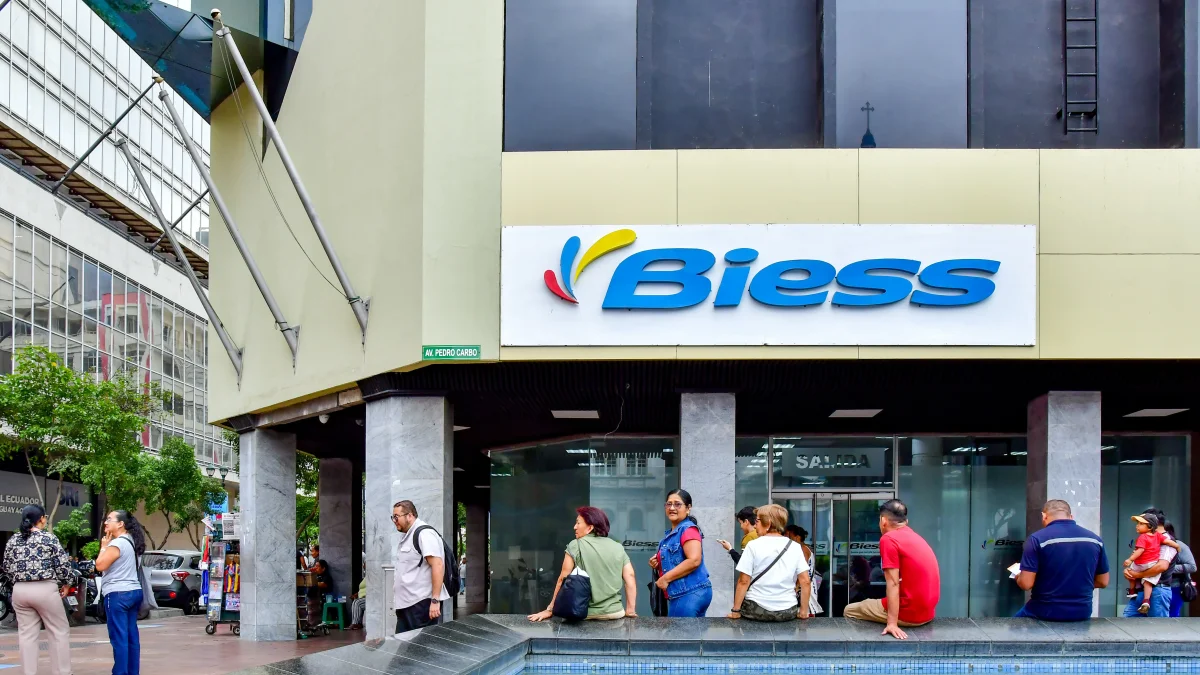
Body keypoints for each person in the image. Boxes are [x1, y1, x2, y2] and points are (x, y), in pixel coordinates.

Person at [843, 499, 939, 640]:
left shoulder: (889, 539)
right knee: (873, 602)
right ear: (905, 521)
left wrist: (892, 623)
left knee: (849, 610)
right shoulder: (916, 537)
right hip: (928, 613)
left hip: (909, 613)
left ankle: (864, 651)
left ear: (883, 521)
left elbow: (893, 583)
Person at [528, 506, 638, 622]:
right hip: (615, 613)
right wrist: (630, 610)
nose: (574, 527)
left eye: (578, 523)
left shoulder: (575, 545)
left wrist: (550, 609)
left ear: (590, 528)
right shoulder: (617, 547)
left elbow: (563, 579)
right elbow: (629, 577)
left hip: (582, 613)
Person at [2, 504, 73, 675]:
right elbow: (62, 565)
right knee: (58, 632)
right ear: (41, 519)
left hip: (20, 591)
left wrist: (17, 583)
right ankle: (62, 672)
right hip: (45, 589)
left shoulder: (13, 540)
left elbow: (6, 567)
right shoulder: (49, 538)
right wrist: (66, 583)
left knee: (26, 635)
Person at [1013, 499, 1109, 621]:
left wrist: (1019, 577)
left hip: (1044, 610)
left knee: (1012, 629)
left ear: (1044, 516)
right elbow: (1103, 582)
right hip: (1082, 612)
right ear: (1071, 516)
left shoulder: (1036, 539)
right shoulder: (1095, 540)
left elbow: (1026, 584)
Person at [729, 504, 811, 622]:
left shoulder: (753, 545)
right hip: (787, 611)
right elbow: (805, 581)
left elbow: (743, 581)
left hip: (756, 609)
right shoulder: (795, 547)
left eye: (757, 521)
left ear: (768, 524)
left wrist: (736, 611)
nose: (755, 525)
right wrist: (803, 611)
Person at [95, 510, 147, 675]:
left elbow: (100, 565)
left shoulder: (117, 544)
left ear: (120, 524)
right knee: (131, 636)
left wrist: (103, 548)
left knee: (119, 638)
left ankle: (120, 672)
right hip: (134, 592)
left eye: (109, 519)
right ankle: (132, 672)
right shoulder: (133, 541)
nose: (106, 522)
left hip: (118, 594)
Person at [649, 489, 713, 617]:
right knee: (692, 636)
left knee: (680, 635)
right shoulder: (672, 534)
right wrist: (657, 563)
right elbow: (677, 560)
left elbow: (694, 560)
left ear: (688, 508)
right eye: (668, 504)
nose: (672, 508)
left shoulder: (687, 529)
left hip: (688, 593)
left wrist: (665, 579)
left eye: (677, 504)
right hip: (690, 592)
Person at [391, 500, 451, 633]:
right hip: (407, 605)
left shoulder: (424, 534)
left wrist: (435, 601)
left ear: (410, 515)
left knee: (420, 649)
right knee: (405, 648)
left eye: (396, 517)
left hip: (420, 605)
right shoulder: (410, 535)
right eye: (393, 517)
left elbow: (438, 565)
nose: (394, 520)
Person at [1123, 509, 1178, 618]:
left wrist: (1137, 575)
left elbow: (1162, 566)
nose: (1137, 526)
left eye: (1141, 523)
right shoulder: (1146, 538)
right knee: (1128, 624)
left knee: (1157, 629)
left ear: (1152, 524)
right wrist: (1129, 571)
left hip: (1158, 590)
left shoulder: (1167, 540)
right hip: (1139, 591)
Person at [1163, 523, 1196, 617]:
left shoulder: (1179, 545)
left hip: (1175, 586)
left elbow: (1192, 567)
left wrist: (1168, 568)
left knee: (1172, 616)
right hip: (1154, 587)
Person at [306, 559, 333, 629]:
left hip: (324, 597)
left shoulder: (327, 576)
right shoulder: (316, 576)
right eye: (315, 566)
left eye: (317, 566)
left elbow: (322, 584)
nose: (316, 568)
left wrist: (311, 582)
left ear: (323, 568)